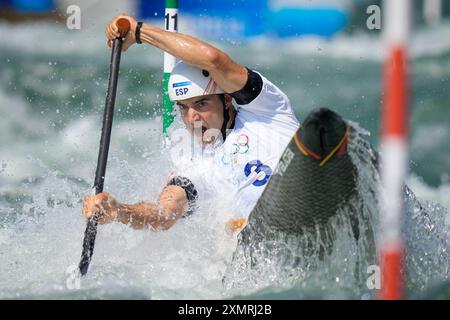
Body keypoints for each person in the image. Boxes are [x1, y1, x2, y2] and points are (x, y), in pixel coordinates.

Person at [82, 14, 300, 232]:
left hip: (297, 193)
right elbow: (164, 215)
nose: (192, 116)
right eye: (184, 107)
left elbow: (213, 59)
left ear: (226, 100)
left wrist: (138, 31)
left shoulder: (266, 109)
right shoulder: (191, 163)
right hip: (256, 240)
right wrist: (120, 211)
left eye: (202, 103)